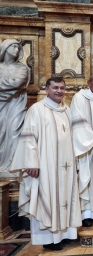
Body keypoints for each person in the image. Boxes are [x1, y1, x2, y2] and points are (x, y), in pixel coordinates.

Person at [10, 77, 81, 250]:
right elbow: (29, 138)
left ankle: (65, 234)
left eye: (62, 88)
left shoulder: (66, 110)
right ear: (46, 89)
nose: (59, 91)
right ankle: (49, 239)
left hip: (66, 166)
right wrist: (31, 162)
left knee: (65, 198)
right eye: (55, 87)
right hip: (45, 165)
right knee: (47, 198)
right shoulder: (37, 109)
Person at [70, 73, 93, 227]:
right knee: (86, 179)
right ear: (88, 82)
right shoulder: (79, 98)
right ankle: (86, 214)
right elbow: (79, 123)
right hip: (86, 147)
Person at [0, 39, 30, 175]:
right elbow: (12, 84)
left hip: (16, 104)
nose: (16, 50)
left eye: (18, 48)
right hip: (2, 104)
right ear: (5, 48)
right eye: (13, 47)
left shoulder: (22, 68)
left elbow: (17, 83)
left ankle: (13, 165)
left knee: (14, 131)